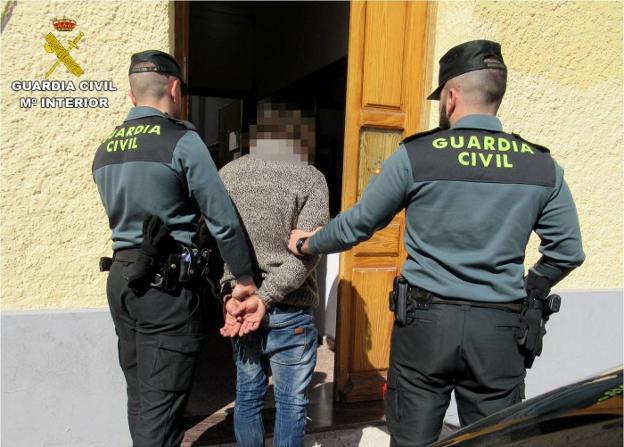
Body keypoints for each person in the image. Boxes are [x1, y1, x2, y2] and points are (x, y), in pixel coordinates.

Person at [288, 40, 585, 446]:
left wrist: (310, 244)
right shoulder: (540, 166)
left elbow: (358, 225)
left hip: (426, 326)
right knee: (494, 439)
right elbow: (567, 251)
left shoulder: (418, 156)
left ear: (450, 97)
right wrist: (532, 288)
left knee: (412, 439)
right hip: (498, 330)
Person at [92, 50, 256, 447]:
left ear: (132, 96)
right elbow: (222, 220)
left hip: (122, 279)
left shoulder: (106, 149)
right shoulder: (181, 140)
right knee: (161, 410)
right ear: (175, 87)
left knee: (142, 397)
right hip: (165, 287)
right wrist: (244, 278)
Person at [219, 103, 329, 447]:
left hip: (240, 307)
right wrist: (266, 297)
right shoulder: (310, 177)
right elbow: (310, 251)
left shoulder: (228, 174)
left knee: (248, 400)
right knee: (291, 405)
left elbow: (216, 240)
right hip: (291, 310)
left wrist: (231, 293)